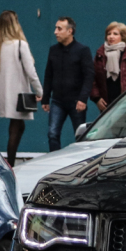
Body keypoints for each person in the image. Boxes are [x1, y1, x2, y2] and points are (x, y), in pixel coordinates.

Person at [0, 10, 43, 166]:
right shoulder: (20, 45)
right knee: (16, 127)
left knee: (17, 125)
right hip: (20, 94)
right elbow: (31, 72)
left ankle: (10, 161)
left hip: (4, 94)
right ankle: (10, 163)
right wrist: (40, 91)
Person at [42, 16, 93, 151]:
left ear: (70, 31)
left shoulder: (82, 50)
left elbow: (89, 76)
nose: (55, 32)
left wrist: (83, 99)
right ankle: (55, 163)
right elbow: (48, 75)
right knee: (52, 133)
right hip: (57, 100)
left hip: (76, 101)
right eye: (55, 28)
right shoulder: (53, 50)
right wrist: (45, 98)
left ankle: (80, 163)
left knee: (80, 136)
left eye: (59, 28)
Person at [92, 21, 126, 111]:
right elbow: (93, 79)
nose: (111, 36)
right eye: (109, 34)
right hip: (107, 104)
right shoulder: (100, 55)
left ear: (122, 37)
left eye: (115, 34)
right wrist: (97, 99)